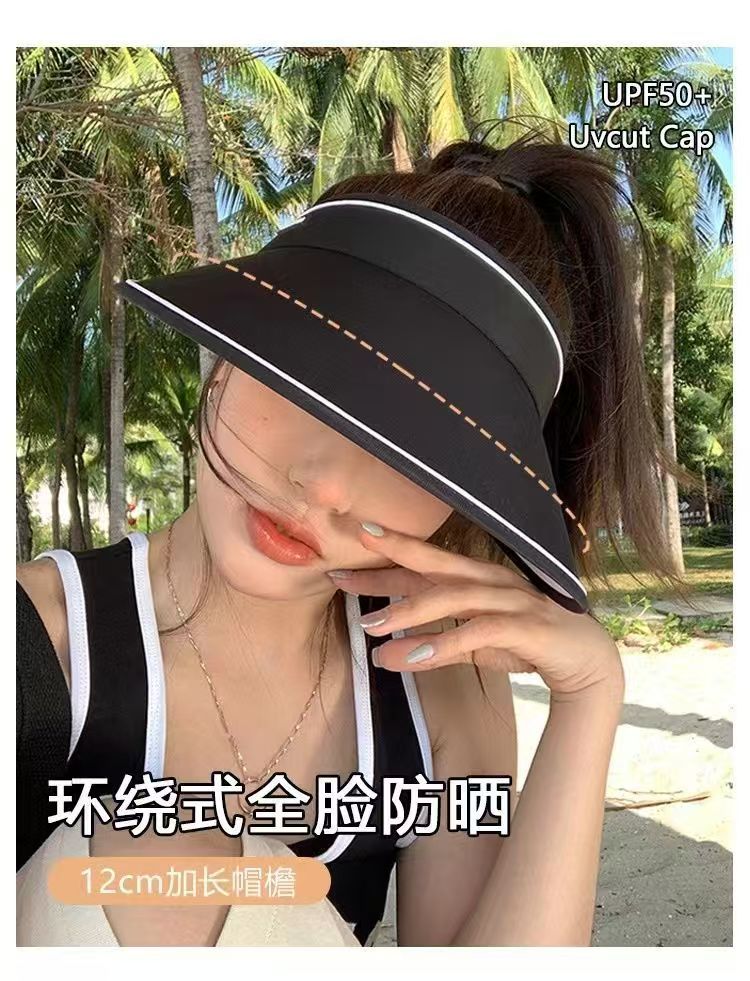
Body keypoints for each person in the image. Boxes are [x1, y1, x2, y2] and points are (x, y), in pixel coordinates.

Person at [17, 128, 679, 947]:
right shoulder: (38, 647)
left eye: (417, 450)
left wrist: (589, 699)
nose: (326, 484)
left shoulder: (440, 688)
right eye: (305, 377)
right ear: (232, 347)